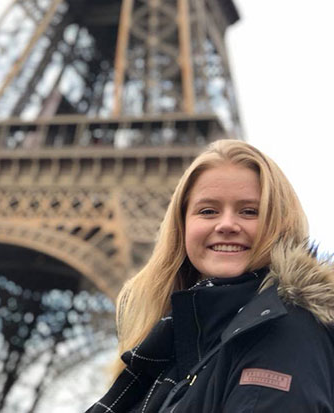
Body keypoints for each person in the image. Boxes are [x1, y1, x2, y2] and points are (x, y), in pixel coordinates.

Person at [86, 139, 334, 412]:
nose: (227, 224)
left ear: (280, 224)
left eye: (250, 211)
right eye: (208, 211)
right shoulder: (177, 352)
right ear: (182, 226)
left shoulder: (283, 329)